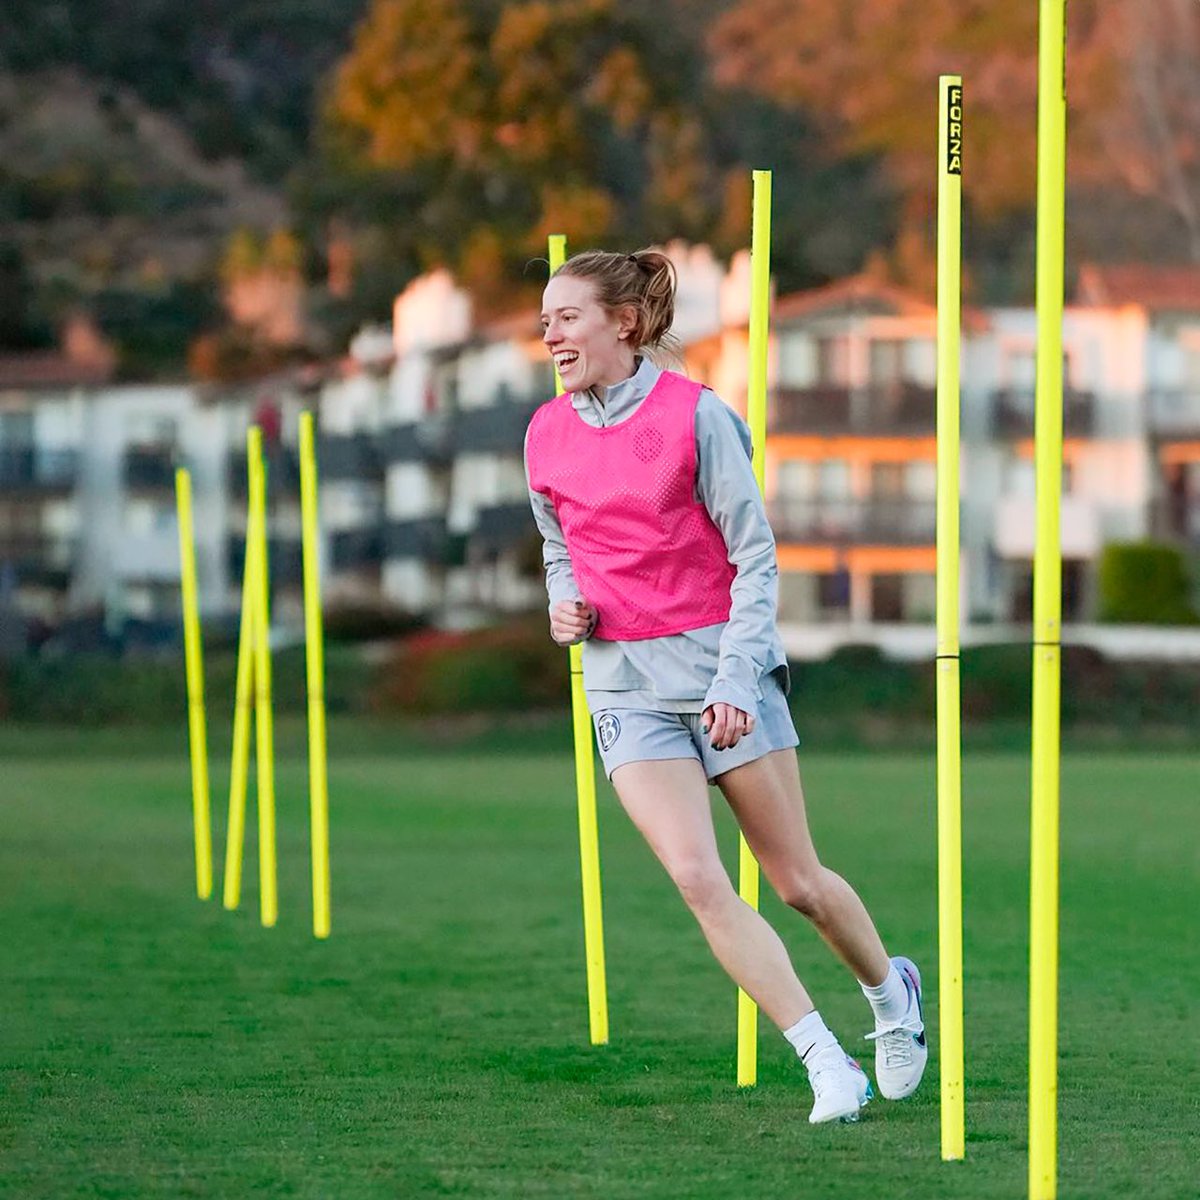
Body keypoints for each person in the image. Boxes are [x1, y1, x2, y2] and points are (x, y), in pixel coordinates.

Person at [524, 248, 927, 1124]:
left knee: (797, 883)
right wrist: (567, 603)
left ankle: (893, 998)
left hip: (720, 668)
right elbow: (560, 544)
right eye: (546, 318)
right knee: (700, 880)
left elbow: (755, 555)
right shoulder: (544, 434)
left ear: (622, 323)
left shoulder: (697, 417)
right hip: (623, 684)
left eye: (566, 316)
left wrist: (739, 677)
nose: (548, 331)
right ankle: (826, 1063)